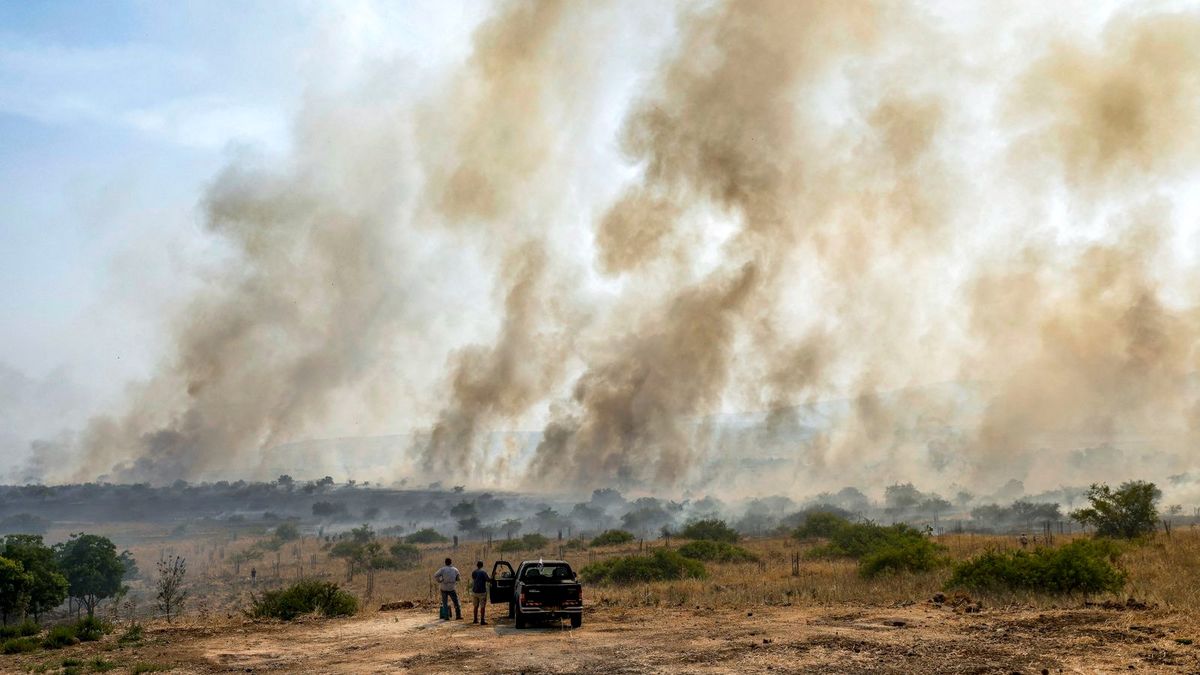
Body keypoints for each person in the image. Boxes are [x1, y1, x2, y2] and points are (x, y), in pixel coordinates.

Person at [470, 561, 490, 625]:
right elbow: (488, 580)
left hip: (475, 591)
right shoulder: (483, 572)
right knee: (482, 606)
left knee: (475, 606)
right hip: (482, 592)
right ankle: (482, 620)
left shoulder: (474, 572)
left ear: (477, 565)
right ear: (482, 565)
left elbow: (473, 578)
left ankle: (475, 619)